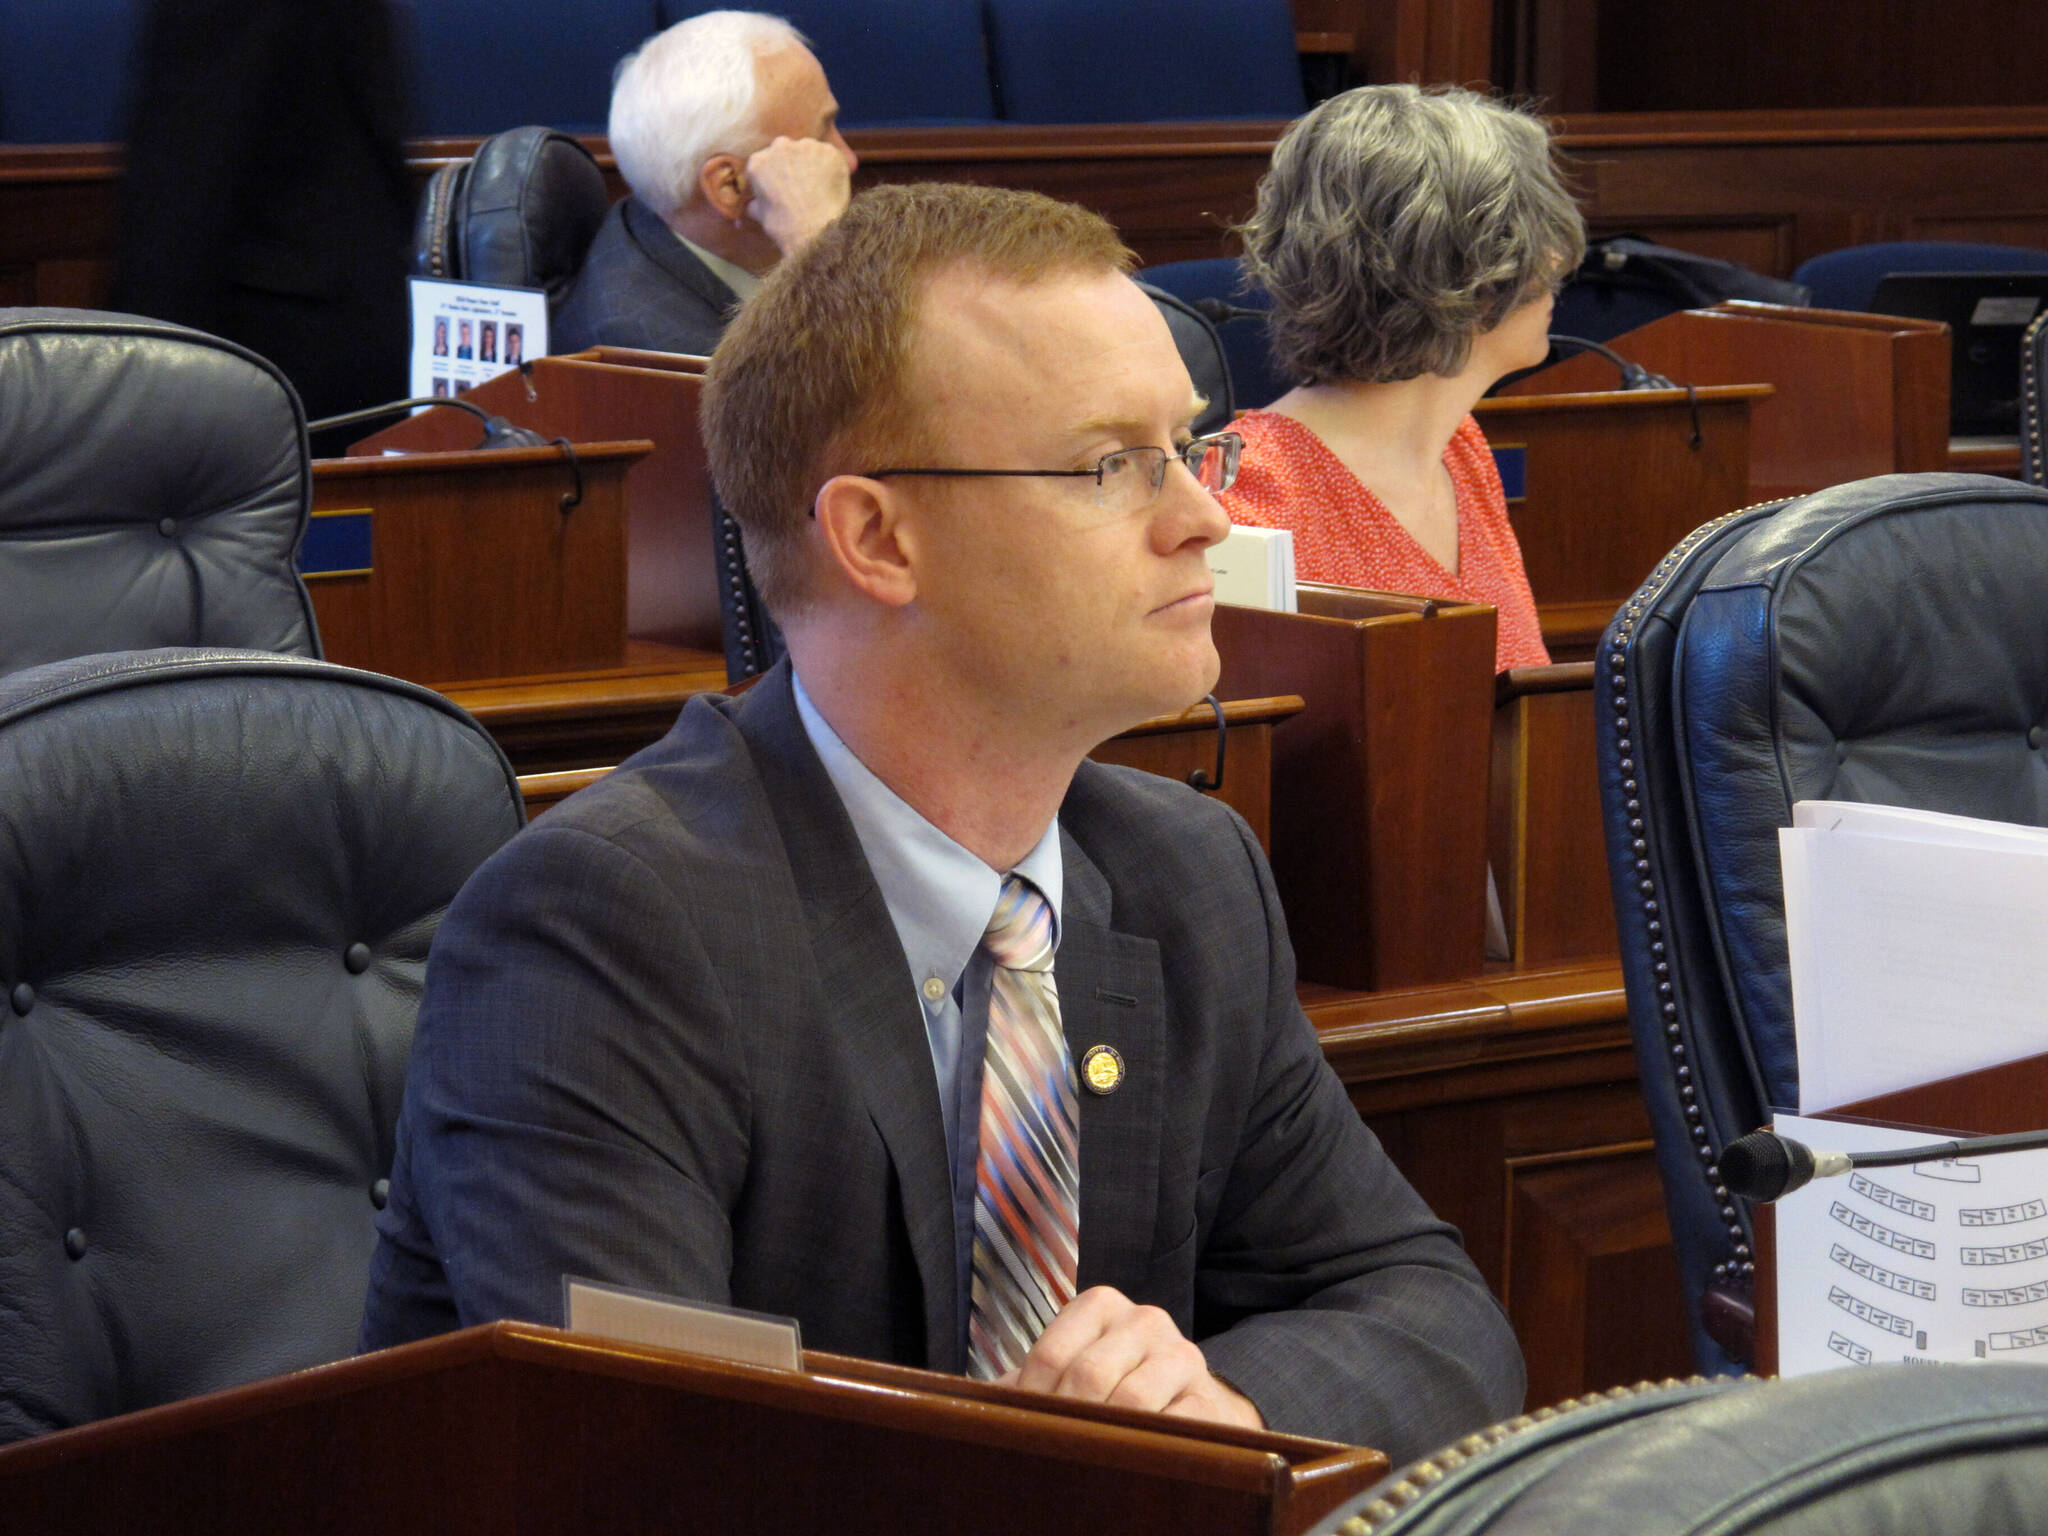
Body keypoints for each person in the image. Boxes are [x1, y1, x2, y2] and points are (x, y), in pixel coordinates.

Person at [361, 182, 1524, 1459]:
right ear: (876, 537)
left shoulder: (1183, 871)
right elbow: (649, 1474)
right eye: (1108, 465)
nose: (1204, 517)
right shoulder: (602, 929)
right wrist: (1038, 1469)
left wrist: (1217, 1414)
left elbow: (1434, 1321)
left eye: (1192, 448)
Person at [1219, 85, 1586, 673]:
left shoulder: (1460, 448)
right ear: (1462, 271)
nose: (1555, 264)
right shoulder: (1243, 499)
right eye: (1534, 241)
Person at [552, 11, 858, 357]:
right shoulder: (664, 353)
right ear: (730, 186)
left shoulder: (655, 219)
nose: (848, 159)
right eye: (821, 135)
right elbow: (875, 395)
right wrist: (816, 243)